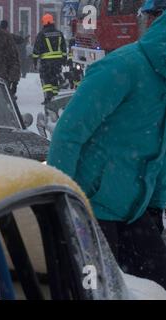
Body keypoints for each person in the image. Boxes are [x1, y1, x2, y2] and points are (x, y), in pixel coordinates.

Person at [47, 2, 166, 289]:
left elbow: (160, 149)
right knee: (98, 290)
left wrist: (155, 205)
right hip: (92, 209)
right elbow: (68, 134)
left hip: (134, 209)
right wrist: (61, 204)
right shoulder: (123, 67)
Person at [32, 14, 67, 104]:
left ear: (44, 22)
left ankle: (48, 97)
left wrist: (35, 61)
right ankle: (55, 98)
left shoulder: (42, 34)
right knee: (54, 79)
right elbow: (63, 47)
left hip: (46, 61)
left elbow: (36, 49)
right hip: (57, 62)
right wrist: (64, 58)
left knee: (46, 79)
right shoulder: (59, 33)